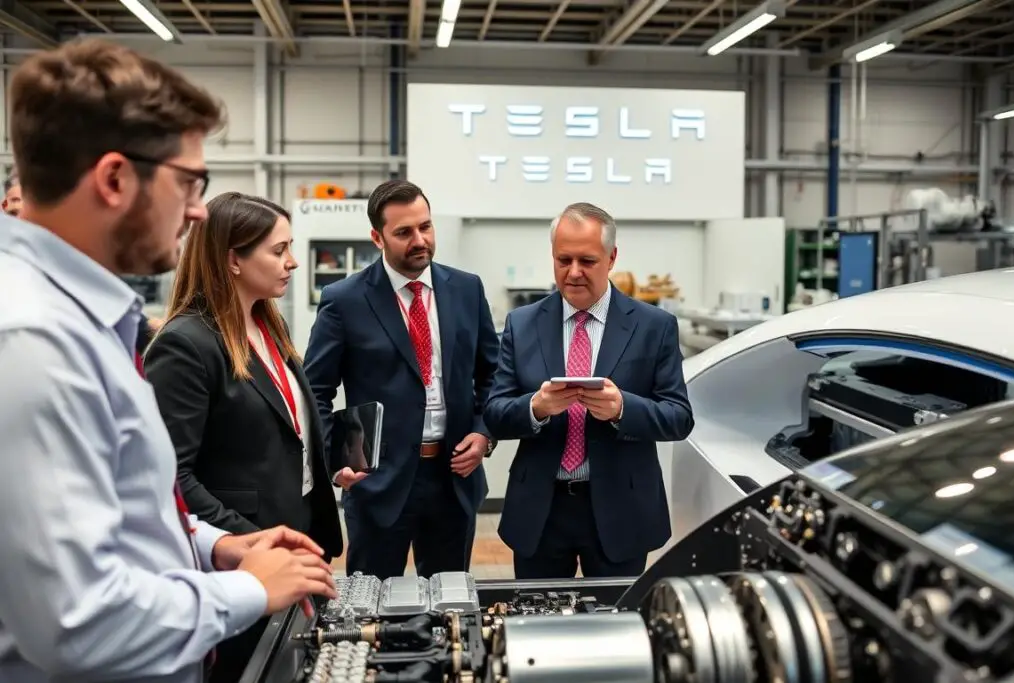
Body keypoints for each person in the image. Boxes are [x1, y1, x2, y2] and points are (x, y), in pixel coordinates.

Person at [0, 39, 337, 683]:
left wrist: (217, 545)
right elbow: (76, 621)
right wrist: (247, 590)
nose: (199, 210)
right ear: (115, 179)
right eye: (189, 182)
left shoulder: (86, 320)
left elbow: (132, 511)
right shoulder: (32, 342)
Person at [144, 192, 345, 683]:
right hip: (243, 562)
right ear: (233, 259)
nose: (293, 262)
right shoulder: (187, 344)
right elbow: (172, 476)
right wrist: (246, 541)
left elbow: (284, 432)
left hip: (296, 543)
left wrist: (333, 457)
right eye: (279, 250)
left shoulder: (267, 325)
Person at [483, 202, 694, 580]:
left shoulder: (654, 326)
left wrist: (622, 408)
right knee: (537, 614)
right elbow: (495, 413)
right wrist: (536, 407)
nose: (574, 272)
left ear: (611, 258)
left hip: (622, 508)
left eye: (587, 261)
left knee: (618, 614)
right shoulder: (523, 323)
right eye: (563, 260)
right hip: (541, 511)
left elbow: (679, 418)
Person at [304, 179, 500, 580]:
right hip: (377, 483)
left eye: (425, 227)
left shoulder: (466, 289)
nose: (420, 240)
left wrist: (484, 434)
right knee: (371, 603)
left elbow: (493, 375)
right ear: (377, 237)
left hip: (453, 479)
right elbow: (315, 391)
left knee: (449, 603)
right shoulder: (345, 300)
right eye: (404, 232)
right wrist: (337, 462)